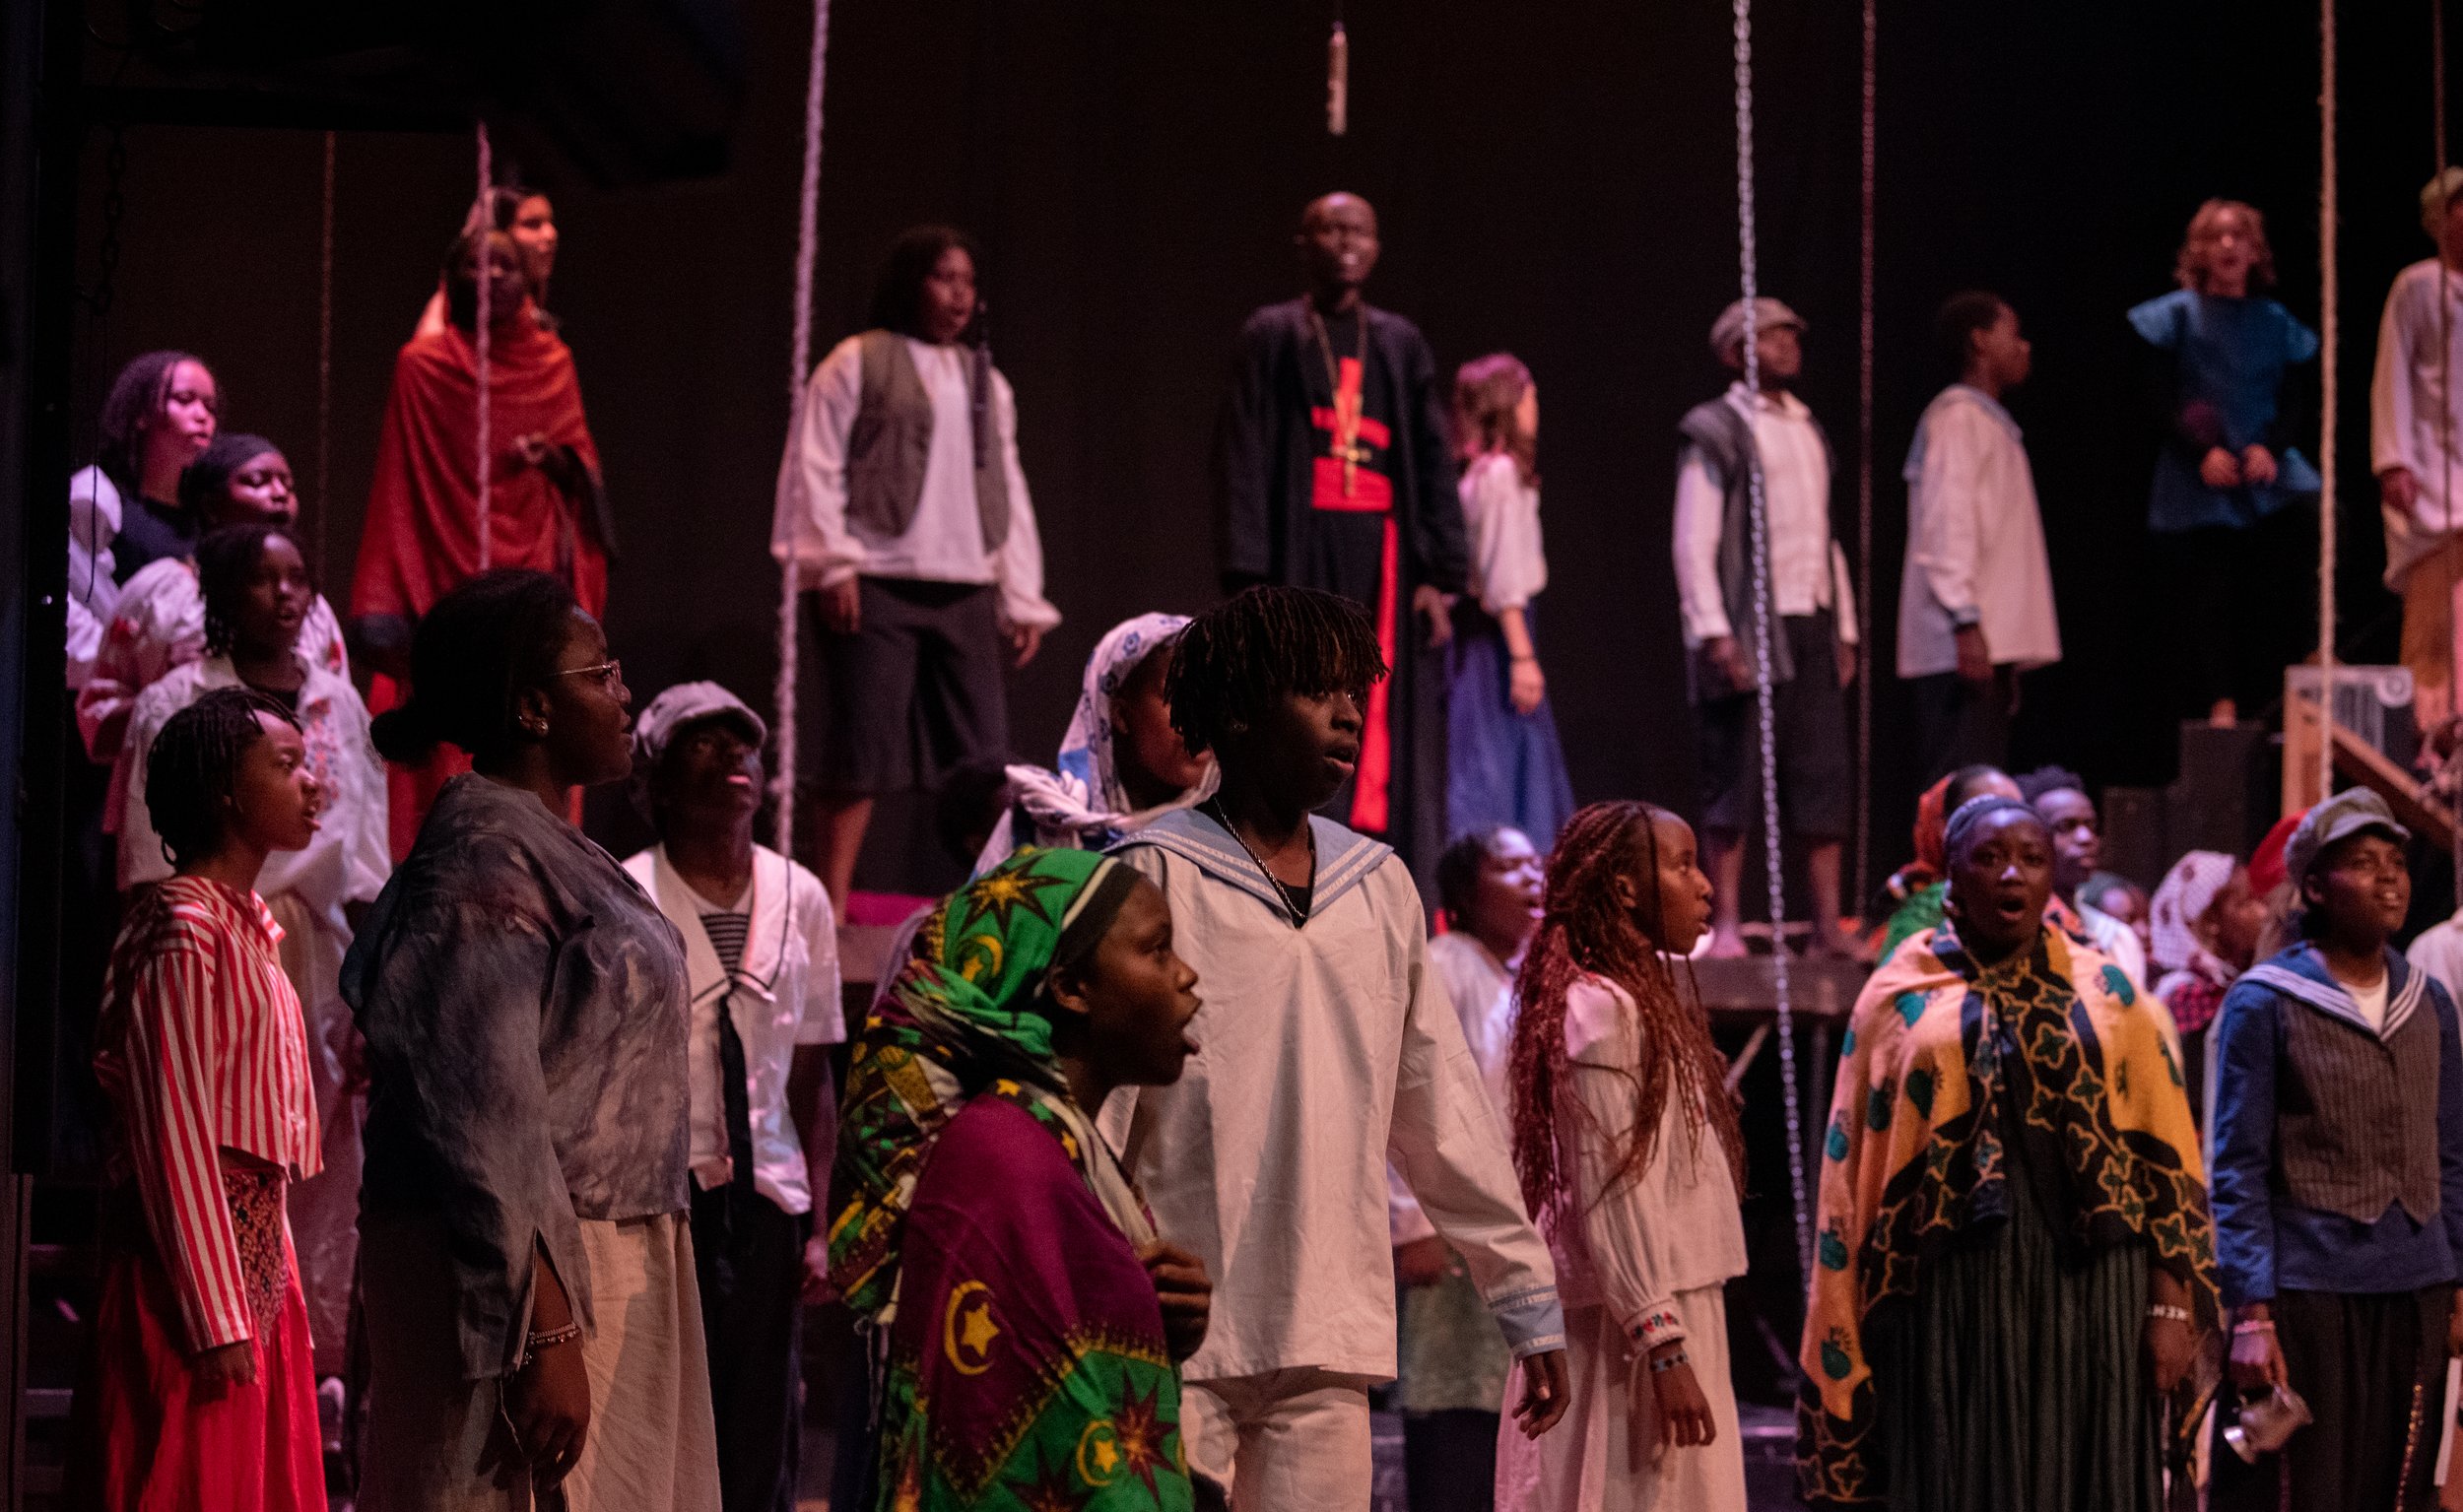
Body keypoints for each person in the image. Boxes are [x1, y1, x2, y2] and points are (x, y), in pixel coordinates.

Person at [1098, 586, 1566, 1510]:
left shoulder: (1379, 883)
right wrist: (1109, 1269)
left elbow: (1439, 1105)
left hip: (1327, 1330)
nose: (1350, 712)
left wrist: (1522, 1293)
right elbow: (1093, 1113)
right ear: (1235, 711)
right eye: (1318, 689)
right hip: (1176, 1331)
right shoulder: (1150, 872)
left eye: (1355, 690)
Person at [343, 569, 718, 1510]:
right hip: (524, 1271)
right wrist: (545, 1331)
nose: (624, 690)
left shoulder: (547, 846)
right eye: (602, 671)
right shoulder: (481, 861)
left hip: (603, 1246)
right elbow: (482, 1113)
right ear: (531, 706)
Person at [1798, 795, 2215, 1510]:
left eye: (2031, 858)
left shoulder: (2111, 993)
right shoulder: (1900, 996)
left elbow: (2167, 1161)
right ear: (1951, 877)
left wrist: (2171, 1307)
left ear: (2055, 876)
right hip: (1955, 1296)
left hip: (2095, 1296)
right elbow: (1856, 1168)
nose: (2012, 875)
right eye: (1988, 858)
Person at [831, 846, 1213, 1510]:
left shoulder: (1059, 1147)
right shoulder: (1003, 1157)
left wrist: (1163, 1331)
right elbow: (1024, 1436)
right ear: (1070, 987)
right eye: (1156, 950)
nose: (1186, 974)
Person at [116, 523, 388, 1392]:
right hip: (219, 924)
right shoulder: (182, 704)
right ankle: (239, 1331)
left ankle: (306, 1368)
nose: (287, 594)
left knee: (315, 1168)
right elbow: (178, 1126)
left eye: (299, 576)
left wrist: (369, 998)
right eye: (263, 578)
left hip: (308, 950)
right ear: (223, 596)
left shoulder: (337, 704)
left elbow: (368, 861)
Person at [80, 688, 326, 1512]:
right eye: (286, 765)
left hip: (250, 1261)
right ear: (226, 788)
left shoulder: (247, 926)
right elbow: (172, 1126)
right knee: (191, 1481)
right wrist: (215, 1308)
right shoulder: (183, 926)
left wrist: (273, 1290)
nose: (312, 783)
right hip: (188, 1281)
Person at [772, 224, 1060, 916]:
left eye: (968, 281)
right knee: (860, 752)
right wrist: (833, 562)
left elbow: (1007, 484)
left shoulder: (986, 379)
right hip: (876, 580)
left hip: (965, 585)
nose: (960, 295)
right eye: (944, 278)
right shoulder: (858, 360)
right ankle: (830, 916)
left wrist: (1020, 593)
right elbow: (815, 461)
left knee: (986, 763)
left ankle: (995, 912)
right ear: (911, 283)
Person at [2207, 789, 2463, 1511]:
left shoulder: (2429, 1001)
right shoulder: (2267, 999)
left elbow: (2450, 1153)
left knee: (2398, 1485)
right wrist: (2251, 1310)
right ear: (2315, 886)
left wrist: (2458, 1274)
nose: (2389, 877)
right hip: (2309, 1292)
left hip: (2415, 1284)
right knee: (2305, 1491)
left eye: (2395, 862)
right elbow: (2239, 1166)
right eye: (2362, 862)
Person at [620, 683, 841, 1512]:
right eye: (703, 745)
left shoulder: (801, 897)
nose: (733, 758)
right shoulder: (626, 890)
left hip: (766, 1199)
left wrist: (817, 1225)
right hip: (665, 1194)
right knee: (669, 1411)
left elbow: (813, 1075)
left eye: (742, 743)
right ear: (660, 781)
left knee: (761, 1425)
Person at [1495, 802, 1750, 1512]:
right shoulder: (1603, 1009)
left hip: (1660, 1304)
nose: (1704, 885)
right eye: (1682, 863)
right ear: (1627, 888)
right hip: (1630, 1328)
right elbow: (1611, 1188)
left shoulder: (1635, 1000)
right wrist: (1661, 1340)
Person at [1210, 192, 1469, 887]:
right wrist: (1249, 573)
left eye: (1358, 228)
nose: (1344, 240)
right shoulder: (1273, 333)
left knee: (1376, 700)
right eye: (1329, 227)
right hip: (1302, 541)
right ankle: (1290, 848)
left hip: (1383, 550)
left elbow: (1431, 455)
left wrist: (1436, 572)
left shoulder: (1398, 341)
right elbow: (1244, 447)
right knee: (1300, 688)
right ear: (1304, 243)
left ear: (1377, 245)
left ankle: (1378, 864)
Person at [353, 225, 611, 858]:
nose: (489, 276)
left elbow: (584, 474)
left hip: (531, 581)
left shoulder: (554, 363)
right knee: (450, 770)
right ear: (450, 281)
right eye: (472, 264)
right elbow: (400, 487)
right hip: (443, 578)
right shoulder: (422, 367)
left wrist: (556, 462)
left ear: (527, 283)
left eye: (504, 266)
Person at [1673, 297, 1861, 958]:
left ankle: (1825, 927)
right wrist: (1715, 630)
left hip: (1810, 616)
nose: (1790, 343)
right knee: (1736, 771)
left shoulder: (1810, 429)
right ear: (1736, 351)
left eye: (1793, 333)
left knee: (1820, 770)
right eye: (1774, 334)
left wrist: (1845, 626)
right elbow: (1693, 536)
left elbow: (1824, 534)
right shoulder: (1717, 428)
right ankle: (1722, 925)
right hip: (1748, 620)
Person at [1389, 825, 1545, 1512]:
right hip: (1451, 1229)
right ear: (1464, 890)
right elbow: (1404, 1092)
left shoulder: (1510, 977)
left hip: (1502, 1227)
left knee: (1497, 1415)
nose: (1532, 878)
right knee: (1453, 1411)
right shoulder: (1445, 965)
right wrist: (1410, 1220)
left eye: (1535, 864)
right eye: (1509, 866)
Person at [2131, 199, 2321, 728]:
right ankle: (2221, 699)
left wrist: (2273, 448)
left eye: (2239, 235)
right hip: (2203, 466)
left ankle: (2309, 652)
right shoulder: (2176, 315)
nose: (2229, 245)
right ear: (2200, 250)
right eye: (2216, 236)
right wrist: (2201, 452)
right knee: (2208, 580)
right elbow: (2156, 396)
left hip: (2262, 460)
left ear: (2255, 248)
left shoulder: (2275, 320)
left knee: (2312, 521)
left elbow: (2294, 400)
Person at [80, 434, 349, 769]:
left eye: (288, 485)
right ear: (211, 505)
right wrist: (173, 692)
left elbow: (340, 733)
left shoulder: (312, 608)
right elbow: (97, 729)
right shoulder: (159, 591)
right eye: (258, 481)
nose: (280, 494)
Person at [1897, 293, 2060, 780]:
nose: (2024, 346)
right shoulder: (1958, 420)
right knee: (1958, 791)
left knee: (1983, 787)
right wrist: (1965, 622)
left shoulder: (1990, 424)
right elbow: (1949, 523)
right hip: (1958, 641)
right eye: (2013, 332)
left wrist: (2009, 650)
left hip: (1984, 644)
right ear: (1981, 341)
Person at [1445, 354, 1574, 847]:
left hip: (1491, 635)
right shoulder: (1498, 475)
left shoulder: (1482, 473)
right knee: (1499, 769)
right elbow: (1502, 578)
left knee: (1505, 763)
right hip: (1497, 640)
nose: (1535, 408)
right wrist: (1522, 656)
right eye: (1531, 396)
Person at [981, 612, 1215, 868]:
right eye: (1177, 696)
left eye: (1213, 696)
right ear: (1120, 714)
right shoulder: (1040, 824)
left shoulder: (1231, 833)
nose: (1203, 718)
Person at [68, 351, 222, 688]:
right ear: (140, 414)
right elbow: (69, 608)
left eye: (210, 407)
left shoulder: (211, 522)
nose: (202, 416)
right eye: (185, 400)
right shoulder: (97, 500)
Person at [2375, 168, 2463, 729]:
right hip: (2434, 468)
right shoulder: (2417, 284)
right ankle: (2432, 731)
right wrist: (2393, 459)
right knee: (2433, 609)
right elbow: (2392, 374)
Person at [2147, 849, 2268, 1130]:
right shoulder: (2186, 994)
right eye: (2245, 904)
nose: (2261, 913)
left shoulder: (2231, 982)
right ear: (2211, 922)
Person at [1875, 763, 2022, 962]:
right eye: (1988, 814)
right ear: (1945, 827)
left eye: (2018, 813)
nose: (2006, 825)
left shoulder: (2037, 901)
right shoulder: (1920, 913)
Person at [2018, 764, 2149, 984]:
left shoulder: (2117, 938)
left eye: (2091, 825)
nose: (2085, 837)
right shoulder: (2015, 934)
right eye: (2065, 826)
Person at [417, 185, 563, 338]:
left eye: (550, 222)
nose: (551, 234)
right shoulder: (445, 315)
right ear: (496, 234)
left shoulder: (530, 311)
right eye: (532, 224)